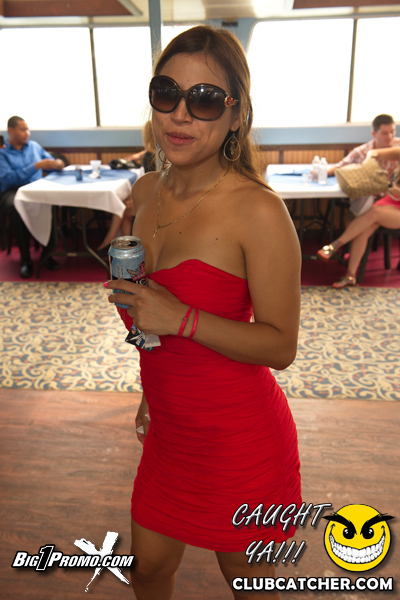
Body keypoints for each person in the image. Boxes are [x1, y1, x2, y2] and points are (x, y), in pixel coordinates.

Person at [106, 25, 302, 600]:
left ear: (235, 114)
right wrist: (153, 391)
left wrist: (182, 318)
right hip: (170, 434)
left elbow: (281, 346)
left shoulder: (259, 211)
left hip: (240, 442)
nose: (180, 114)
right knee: (146, 570)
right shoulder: (145, 192)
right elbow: (146, 319)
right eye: (166, 92)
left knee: (250, 587)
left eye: (205, 99)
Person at [318, 146, 400, 287]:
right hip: (389, 201)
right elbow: (374, 152)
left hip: (395, 208)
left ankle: (335, 244)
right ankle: (350, 275)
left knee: (374, 213)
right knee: (362, 230)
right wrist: (369, 162)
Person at [0, 116, 64, 277]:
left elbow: (50, 163)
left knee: (50, 203)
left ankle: (48, 254)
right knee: (16, 206)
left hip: (37, 189)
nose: (27, 133)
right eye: (22, 129)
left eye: (27, 129)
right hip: (13, 191)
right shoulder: (2, 151)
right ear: (11, 130)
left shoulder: (34, 146)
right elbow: (7, 179)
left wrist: (57, 164)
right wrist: (35, 166)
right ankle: (25, 259)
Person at [97, 121, 156, 250]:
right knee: (124, 203)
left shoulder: (149, 156)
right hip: (157, 196)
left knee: (123, 208)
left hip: (156, 201)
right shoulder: (154, 153)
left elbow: (153, 184)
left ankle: (118, 243)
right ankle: (122, 244)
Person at [327, 114, 400, 217]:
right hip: (369, 198)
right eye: (384, 133)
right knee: (364, 203)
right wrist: (320, 173)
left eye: (392, 132)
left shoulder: (398, 147)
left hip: (394, 198)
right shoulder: (362, 152)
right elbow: (340, 167)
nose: (389, 137)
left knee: (372, 213)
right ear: (374, 134)